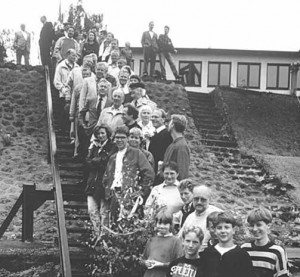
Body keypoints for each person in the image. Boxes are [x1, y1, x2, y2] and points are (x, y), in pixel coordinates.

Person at [102, 125, 155, 222]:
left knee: (130, 224)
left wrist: (141, 192)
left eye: (122, 137)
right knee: (114, 224)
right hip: (115, 195)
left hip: (131, 196)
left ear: (127, 139)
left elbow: (149, 173)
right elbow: (106, 177)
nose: (119, 140)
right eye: (117, 137)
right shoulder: (113, 157)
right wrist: (108, 192)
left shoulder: (137, 153)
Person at [202, 212, 255, 277]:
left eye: (227, 227)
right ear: (215, 230)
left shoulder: (242, 255)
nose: (223, 231)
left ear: (234, 230)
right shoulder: (207, 253)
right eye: (219, 228)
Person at [85, 125, 116, 236]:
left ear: (107, 133)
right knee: (92, 210)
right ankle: (97, 233)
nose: (100, 135)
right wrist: (96, 161)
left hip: (104, 183)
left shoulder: (112, 146)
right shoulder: (94, 146)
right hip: (92, 182)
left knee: (104, 211)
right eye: (98, 134)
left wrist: (95, 161)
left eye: (103, 133)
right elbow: (87, 162)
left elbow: (107, 162)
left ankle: (104, 236)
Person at [241, 207, 289, 277]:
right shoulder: (244, 249)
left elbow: (282, 275)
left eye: (259, 225)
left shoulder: (277, 251)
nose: (254, 229)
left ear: (268, 226)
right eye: (252, 225)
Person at [142, 209, 183, 277]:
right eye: (159, 223)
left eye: (165, 224)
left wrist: (160, 264)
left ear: (170, 224)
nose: (161, 226)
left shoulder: (176, 241)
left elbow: (179, 264)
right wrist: (145, 263)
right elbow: (143, 258)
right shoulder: (151, 240)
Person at [69, 65, 92, 158]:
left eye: (87, 74)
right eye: (84, 74)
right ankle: (76, 152)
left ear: (90, 75)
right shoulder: (78, 87)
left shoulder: (93, 85)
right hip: (79, 113)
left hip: (89, 113)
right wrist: (71, 113)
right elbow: (73, 101)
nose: (85, 75)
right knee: (78, 134)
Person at [53, 49, 79, 129]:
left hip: (74, 94)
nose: (75, 57)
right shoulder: (61, 66)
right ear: (68, 55)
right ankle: (61, 128)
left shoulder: (77, 67)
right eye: (73, 55)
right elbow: (56, 81)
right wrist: (63, 90)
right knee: (62, 112)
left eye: (76, 55)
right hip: (63, 94)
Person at [163, 114, 190, 180]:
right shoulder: (174, 143)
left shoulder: (181, 146)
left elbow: (182, 171)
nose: (167, 125)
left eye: (170, 122)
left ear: (172, 125)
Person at [148, 108, 172, 175]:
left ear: (163, 119)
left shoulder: (166, 135)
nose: (153, 119)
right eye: (152, 117)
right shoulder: (156, 133)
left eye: (156, 117)